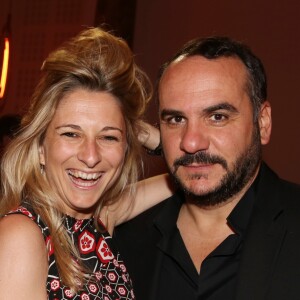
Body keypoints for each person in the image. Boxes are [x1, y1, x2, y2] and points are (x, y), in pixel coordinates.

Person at [115, 36, 300, 300]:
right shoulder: (120, 240)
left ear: (264, 123)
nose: (191, 142)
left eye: (217, 117)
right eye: (176, 119)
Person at [0, 27, 173, 299]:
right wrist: (112, 125)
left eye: (107, 137)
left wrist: (129, 126)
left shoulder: (99, 219)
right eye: (71, 133)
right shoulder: (22, 236)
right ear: (41, 148)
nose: (90, 156)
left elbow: (188, 172)